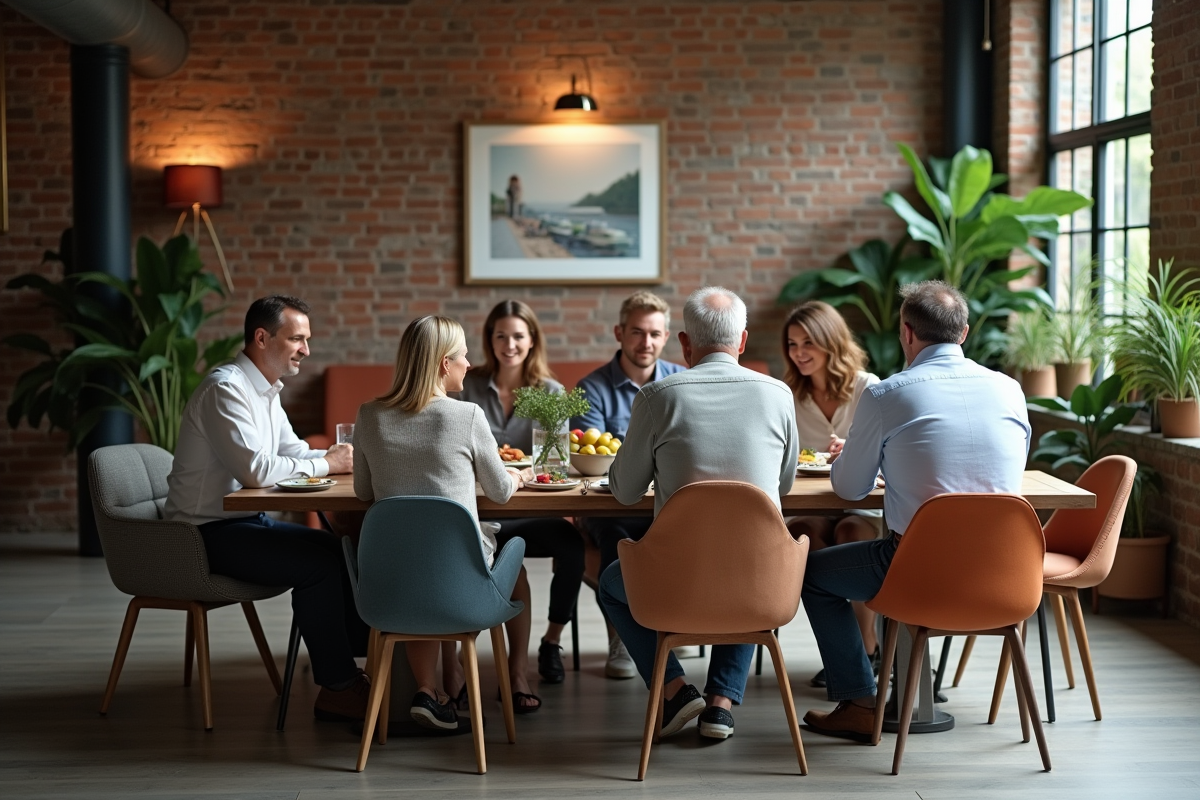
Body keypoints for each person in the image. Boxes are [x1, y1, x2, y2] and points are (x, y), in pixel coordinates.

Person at [800, 281, 1031, 741]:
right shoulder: (1010, 390)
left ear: (906, 333)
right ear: (963, 333)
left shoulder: (887, 395)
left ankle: (861, 702)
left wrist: (873, 456)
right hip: (1008, 574)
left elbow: (849, 488)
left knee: (809, 574)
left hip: (916, 572)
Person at [598, 286, 799, 741]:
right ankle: (721, 706)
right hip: (764, 583)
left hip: (678, 581)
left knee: (613, 585)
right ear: (742, 342)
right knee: (748, 557)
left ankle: (674, 688)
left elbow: (626, 492)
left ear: (684, 344)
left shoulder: (657, 396)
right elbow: (784, 486)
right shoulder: (779, 395)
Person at [165, 295, 367, 722]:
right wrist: (327, 463)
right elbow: (257, 471)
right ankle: (337, 689)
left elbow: (290, 449)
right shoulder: (226, 389)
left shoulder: (265, 389)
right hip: (203, 537)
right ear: (262, 337)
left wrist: (331, 456)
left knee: (338, 548)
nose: (306, 350)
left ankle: (354, 666)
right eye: (297, 339)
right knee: (319, 566)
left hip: (244, 523)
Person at [353, 315, 529, 731]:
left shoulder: (369, 415)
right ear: (442, 364)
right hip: (460, 585)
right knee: (512, 561)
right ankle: (509, 676)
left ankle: (428, 690)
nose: (470, 363)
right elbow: (501, 491)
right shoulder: (466, 416)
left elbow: (363, 492)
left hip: (390, 583)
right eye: (463, 355)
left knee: (419, 565)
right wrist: (519, 475)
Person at [453, 300, 586, 711]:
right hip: (477, 511)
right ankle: (498, 669)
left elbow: (558, 463)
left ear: (532, 342)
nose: (509, 344)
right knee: (512, 564)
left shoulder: (549, 392)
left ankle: (551, 641)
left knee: (572, 544)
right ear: (489, 340)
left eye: (518, 336)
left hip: (527, 507)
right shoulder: (465, 384)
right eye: (500, 336)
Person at [571, 290, 686, 679]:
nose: (646, 342)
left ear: (666, 336)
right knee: (614, 534)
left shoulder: (682, 382)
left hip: (665, 505)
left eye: (654, 333)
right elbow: (593, 459)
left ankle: (675, 625)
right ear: (619, 333)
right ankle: (621, 635)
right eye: (637, 332)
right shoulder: (592, 388)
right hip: (608, 507)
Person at [782, 301, 882, 686]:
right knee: (804, 533)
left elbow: (884, 453)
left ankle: (866, 646)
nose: (799, 353)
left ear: (832, 342)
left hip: (859, 501)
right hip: (812, 501)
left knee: (852, 535)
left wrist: (854, 451)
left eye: (808, 342)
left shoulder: (867, 388)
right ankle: (847, 651)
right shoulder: (789, 393)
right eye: (792, 344)